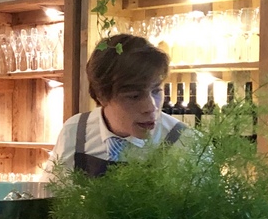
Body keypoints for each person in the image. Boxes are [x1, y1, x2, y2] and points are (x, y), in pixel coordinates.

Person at [47, 33, 196, 177]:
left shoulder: (185, 142)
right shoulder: (76, 131)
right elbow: (49, 190)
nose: (151, 107)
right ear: (102, 96)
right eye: (134, 96)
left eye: (156, 91)